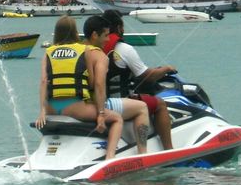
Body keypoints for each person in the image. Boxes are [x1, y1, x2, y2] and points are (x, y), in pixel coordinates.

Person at [36, 15, 125, 156]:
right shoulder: (84, 51)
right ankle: (110, 158)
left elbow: (43, 81)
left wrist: (42, 111)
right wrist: (101, 113)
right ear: (75, 32)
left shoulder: (48, 52)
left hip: (51, 108)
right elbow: (93, 82)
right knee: (117, 118)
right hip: (75, 108)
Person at [102, 9, 174, 150]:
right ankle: (169, 149)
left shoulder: (94, 47)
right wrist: (166, 69)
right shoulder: (124, 49)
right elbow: (147, 76)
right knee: (160, 104)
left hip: (99, 102)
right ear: (118, 27)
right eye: (122, 26)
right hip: (119, 102)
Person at [80, 15, 151, 157]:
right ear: (94, 35)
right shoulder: (98, 55)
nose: (107, 40)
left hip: (74, 104)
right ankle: (143, 154)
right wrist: (101, 113)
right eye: (105, 35)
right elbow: (98, 85)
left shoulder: (76, 50)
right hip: (95, 104)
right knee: (142, 107)